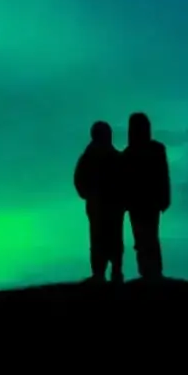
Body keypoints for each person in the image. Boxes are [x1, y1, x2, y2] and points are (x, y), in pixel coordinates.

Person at [120, 111, 171, 282]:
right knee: (144, 238)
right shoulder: (152, 150)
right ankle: (149, 271)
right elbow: (163, 177)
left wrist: (164, 198)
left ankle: (151, 271)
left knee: (146, 237)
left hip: (145, 203)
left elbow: (163, 177)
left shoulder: (130, 154)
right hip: (143, 203)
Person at [73, 120, 126, 281]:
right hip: (104, 206)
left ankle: (106, 273)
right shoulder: (110, 156)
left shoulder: (91, 156)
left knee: (104, 239)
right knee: (106, 239)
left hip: (105, 206)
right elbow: (79, 179)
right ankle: (105, 273)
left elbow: (78, 179)